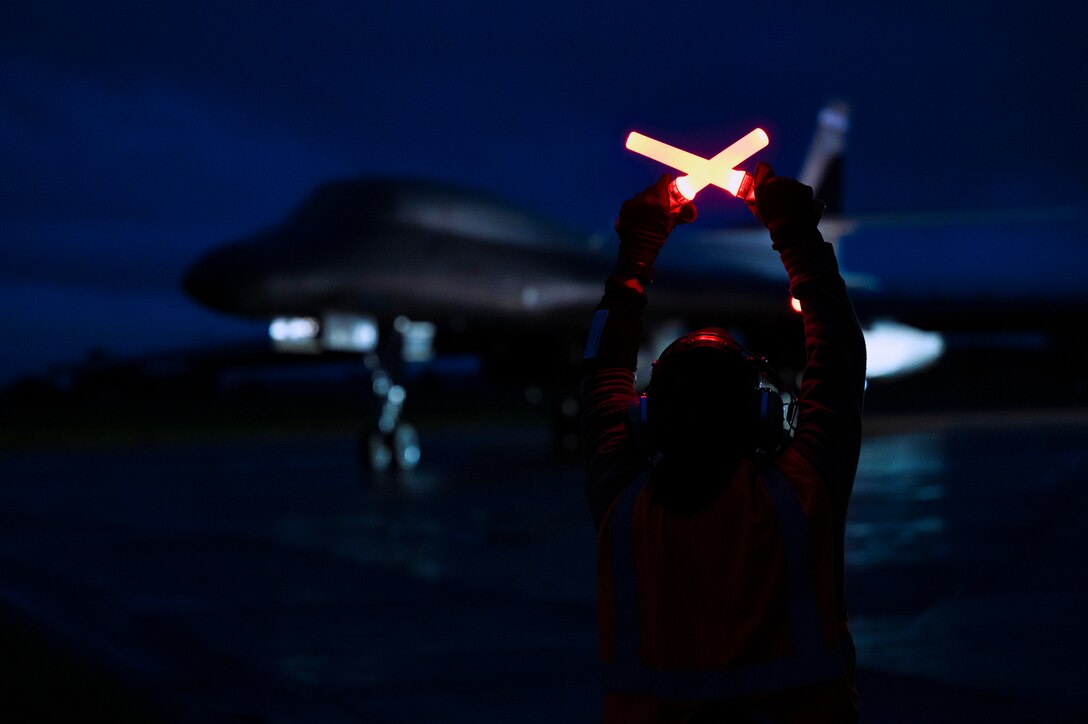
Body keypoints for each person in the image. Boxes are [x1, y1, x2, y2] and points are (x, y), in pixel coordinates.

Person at [581, 164, 867, 723]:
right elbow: (840, 351)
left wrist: (635, 254)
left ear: (646, 418)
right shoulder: (801, 498)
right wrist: (797, 233)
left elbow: (601, 367)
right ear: (761, 415)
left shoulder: (623, 511)